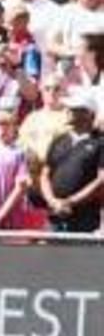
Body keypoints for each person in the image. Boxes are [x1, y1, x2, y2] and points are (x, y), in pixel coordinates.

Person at [39, 90, 104, 234]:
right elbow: (45, 174)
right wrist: (52, 201)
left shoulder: (100, 142)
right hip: (54, 216)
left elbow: (101, 180)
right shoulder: (59, 139)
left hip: (84, 219)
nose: (69, 111)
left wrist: (70, 202)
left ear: (88, 113)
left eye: (75, 109)